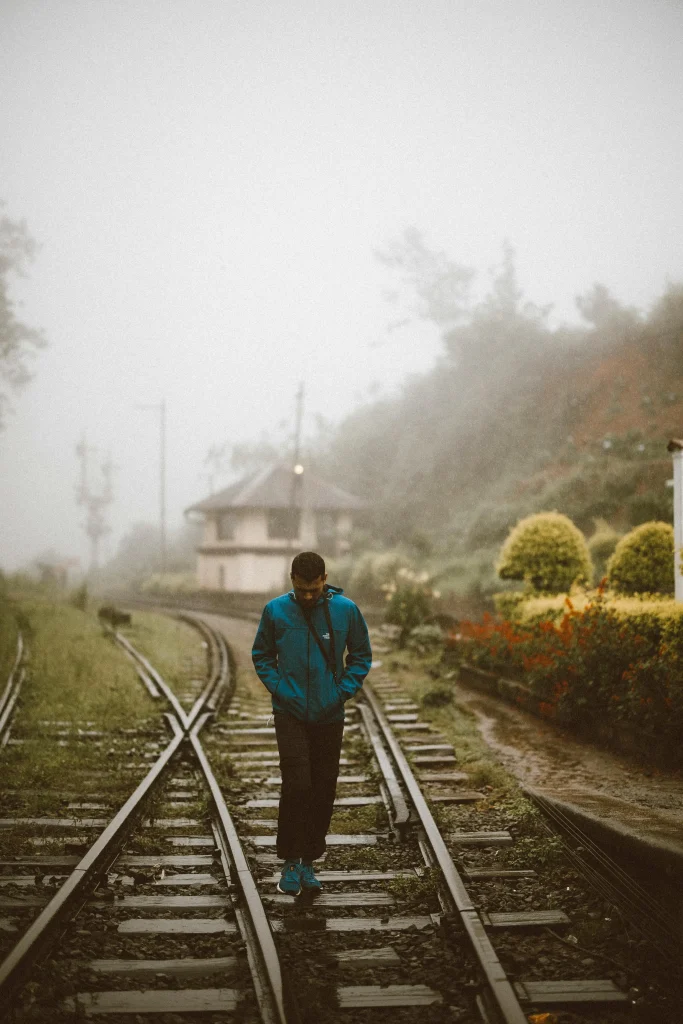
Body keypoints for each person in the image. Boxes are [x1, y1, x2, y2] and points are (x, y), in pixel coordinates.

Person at [252, 550, 372, 895]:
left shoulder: (346, 611)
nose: (308, 597)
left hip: (329, 713)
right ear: (292, 580)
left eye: (314, 590)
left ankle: (308, 862)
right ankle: (290, 861)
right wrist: (279, 689)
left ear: (324, 580)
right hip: (289, 712)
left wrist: (340, 692)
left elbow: (361, 655)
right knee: (297, 784)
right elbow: (261, 655)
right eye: (302, 590)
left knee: (322, 788)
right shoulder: (275, 610)